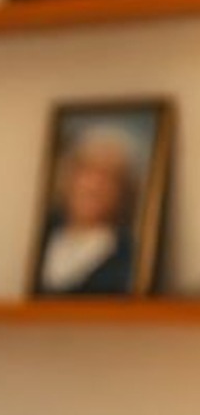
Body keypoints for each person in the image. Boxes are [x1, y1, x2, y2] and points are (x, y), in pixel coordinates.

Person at [35, 125, 141, 296]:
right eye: (87, 171)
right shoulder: (43, 234)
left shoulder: (127, 255)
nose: (94, 186)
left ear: (123, 191)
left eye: (108, 177)